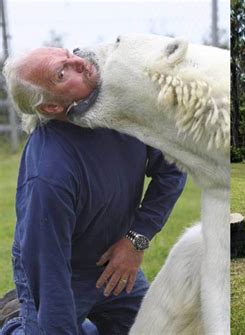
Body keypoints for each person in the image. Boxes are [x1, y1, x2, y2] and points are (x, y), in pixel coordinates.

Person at [0, 47, 187, 334]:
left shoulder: (126, 110)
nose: (79, 62)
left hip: (115, 260)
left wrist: (135, 240)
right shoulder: (49, 174)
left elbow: (174, 167)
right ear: (51, 107)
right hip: (60, 272)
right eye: (62, 73)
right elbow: (50, 271)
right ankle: (13, 322)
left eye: (67, 53)